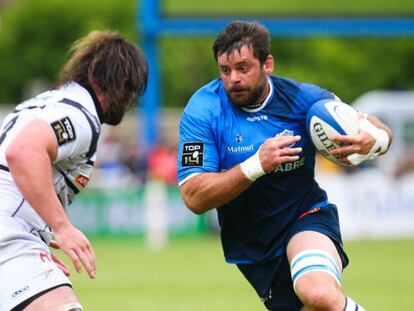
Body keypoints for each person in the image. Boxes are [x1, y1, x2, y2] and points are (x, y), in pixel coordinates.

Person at [177, 21, 392, 311]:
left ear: (268, 64)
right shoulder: (203, 111)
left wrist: (375, 138)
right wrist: (256, 165)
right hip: (254, 248)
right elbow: (193, 196)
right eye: (225, 70)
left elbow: (372, 125)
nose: (233, 79)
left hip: (306, 216)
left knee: (318, 294)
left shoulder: (303, 99)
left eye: (243, 68)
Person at [0, 30, 148, 311]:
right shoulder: (80, 116)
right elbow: (22, 152)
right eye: (129, 88)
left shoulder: (46, 104)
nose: (129, 100)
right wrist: (62, 228)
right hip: (8, 236)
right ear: (106, 81)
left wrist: (36, 241)